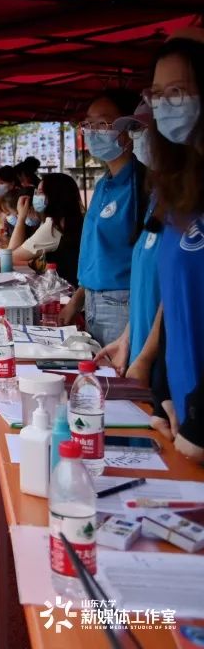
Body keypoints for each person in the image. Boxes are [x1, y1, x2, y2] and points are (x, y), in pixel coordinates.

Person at [143, 36, 204, 463]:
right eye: (158, 95)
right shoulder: (177, 190)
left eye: (178, 92)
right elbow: (175, 297)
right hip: (183, 415)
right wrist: (163, 389)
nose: (166, 105)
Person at [59, 89, 147, 345]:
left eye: (104, 123)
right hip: (94, 302)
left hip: (124, 305)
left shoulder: (142, 186)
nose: (94, 131)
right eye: (89, 123)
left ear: (129, 128)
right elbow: (95, 256)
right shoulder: (102, 185)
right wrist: (78, 300)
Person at [95, 102, 163, 381]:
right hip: (139, 348)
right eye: (135, 129)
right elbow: (147, 282)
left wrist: (146, 357)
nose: (137, 137)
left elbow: (174, 294)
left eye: (145, 129)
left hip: (163, 362)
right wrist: (128, 337)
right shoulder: (159, 198)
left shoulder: (147, 189)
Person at [9, 173, 84, 287]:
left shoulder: (53, 226)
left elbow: (10, 256)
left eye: (40, 192)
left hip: (63, 292)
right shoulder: (76, 219)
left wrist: (21, 217)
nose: (36, 196)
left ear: (54, 196)